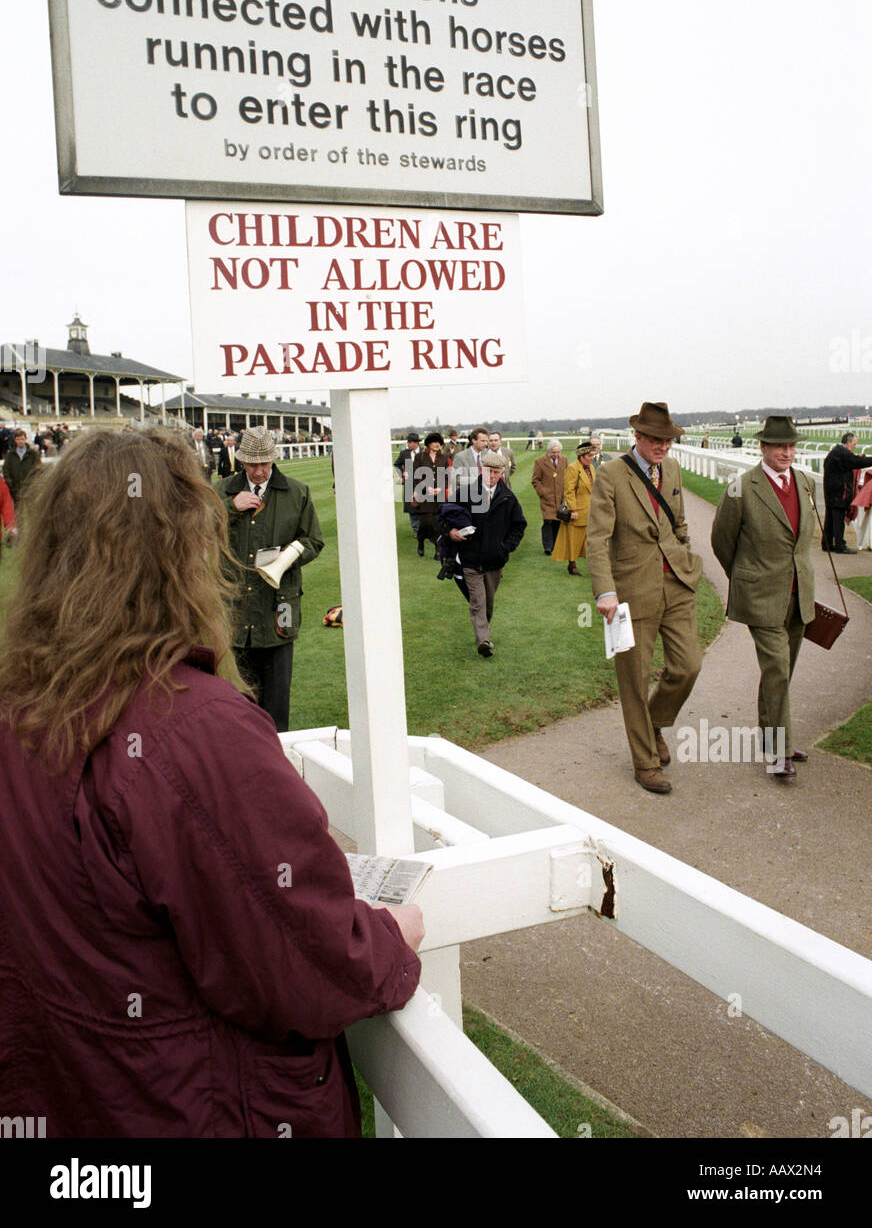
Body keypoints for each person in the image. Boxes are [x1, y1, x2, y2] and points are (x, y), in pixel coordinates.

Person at [0, 427, 422, 1138]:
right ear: (182, 552)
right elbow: (302, 966)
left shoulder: (22, 703)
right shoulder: (195, 729)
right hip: (192, 1103)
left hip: (77, 1092)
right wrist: (387, 939)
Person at [587, 402, 703, 794]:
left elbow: (679, 519)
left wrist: (685, 553)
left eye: (667, 440)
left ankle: (654, 722)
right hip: (631, 591)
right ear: (637, 436)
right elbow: (598, 537)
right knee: (634, 680)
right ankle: (645, 763)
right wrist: (605, 590)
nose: (662, 447)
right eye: (654, 439)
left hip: (677, 583)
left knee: (688, 666)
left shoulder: (671, 468)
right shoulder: (611, 474)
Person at [710, 415, 816, 781]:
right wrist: (745, 578)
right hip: (761, 596)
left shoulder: (803, 482)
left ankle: (772, 740)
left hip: (798, 595)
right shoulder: (740, 488)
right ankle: (781, 753)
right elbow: (722, 542)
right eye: (778, 447)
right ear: (763, 448)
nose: (787, 453)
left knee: (782, 672)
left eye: (791, 446)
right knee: (776, 670)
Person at [217, 426, 323, 734]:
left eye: (265, 463)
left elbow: (313, 540)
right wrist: (228, 508)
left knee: (277, 702)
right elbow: (195, 533)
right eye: (253, 464)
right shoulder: (220, 491)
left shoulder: (297, 492)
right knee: (234, 701)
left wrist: (285, 559)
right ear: (242, 462)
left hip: (280, 607)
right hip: (233, 609)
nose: (260, 471)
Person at [441, 451, 526, 657]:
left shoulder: (508, 497)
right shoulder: (465, 493)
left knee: (487, 604)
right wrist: (450, 532)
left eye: (498, 472)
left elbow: (519, 525)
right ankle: (484, 641)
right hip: (470, 559)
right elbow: (443, 515)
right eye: (490, 471)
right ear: (481, 470)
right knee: (478, 602)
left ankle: (483, 631)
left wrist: (506, 547)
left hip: (495, 561)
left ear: (502, 473)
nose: (494, 476)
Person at [551, 441, 597, 575]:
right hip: (577, 510)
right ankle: (572, 564)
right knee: (573, 539)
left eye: (593, 455)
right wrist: (573, 510)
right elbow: (569, 491)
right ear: (582, 456)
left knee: (589, 539)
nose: (592, 457)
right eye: (589, 455)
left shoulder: (592, 468)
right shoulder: (572, 468)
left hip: (590, 509)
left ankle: (592, 564)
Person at [822, 432, 872, 554]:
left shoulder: (835, 452)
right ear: (848, 443)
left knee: (830, 519)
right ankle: (840, 545)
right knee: (838, 519)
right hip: (840, 492)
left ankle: (827, 544)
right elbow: (858, 462)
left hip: (830, 491)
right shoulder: (843, 453)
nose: (855, 446)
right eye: (854, 444)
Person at [411, 431, 450, 557]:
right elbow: (415, 476)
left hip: (439, 496)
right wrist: (425, 488)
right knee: (426, 522)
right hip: (424, 496)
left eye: (439, 442)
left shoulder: (444, 458)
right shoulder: (420, 457)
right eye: (434, 442)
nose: (437, 444)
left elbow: (446, 477)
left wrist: (441, 488)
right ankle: (420, 541)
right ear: (428, 444)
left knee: (438, 523)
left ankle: (438, 548)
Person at [531, 439, 569, 555]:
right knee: (548, 521)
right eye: (553, 452)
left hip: (561, 497)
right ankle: (547, 546)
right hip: (547, 498)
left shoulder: (564, 460)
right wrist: (543, 492)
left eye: (557, 452)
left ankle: (556, 545)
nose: (555, 454)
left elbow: (567, 477)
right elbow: (535, 480)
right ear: (548, 451)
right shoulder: (539, 462)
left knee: (558, 521)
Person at [393, 431, 421, 537]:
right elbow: (397, 464)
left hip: (423, 484)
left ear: (416, 443)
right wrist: (402, 474)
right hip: (409, 484)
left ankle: (424, 529)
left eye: (411, 442)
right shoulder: (404, 453)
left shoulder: (425, 452)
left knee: (424, 508)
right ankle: (417, 531)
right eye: (408, 442)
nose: (409, 444)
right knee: (412, 509)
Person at [450, 426, 489, 500]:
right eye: (483, 441)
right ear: (473, 440)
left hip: (486, 498)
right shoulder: (460, 457)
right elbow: (456, 479)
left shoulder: (488, 455)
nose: (486, 444)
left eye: (486, 441)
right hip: (468, 499)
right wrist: (478, 480)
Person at [2, 428, 40, 501]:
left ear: (26, 439)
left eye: (22, 439)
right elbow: (5, 469)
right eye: (18, 439)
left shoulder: (33, 454)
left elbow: (38, 468)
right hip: (15, 489)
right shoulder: (10, 455)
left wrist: (34, 483)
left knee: (30, 510)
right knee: (18, 510)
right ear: (15, 440)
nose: (20, 441)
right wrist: (10, 483)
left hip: (30, 488)